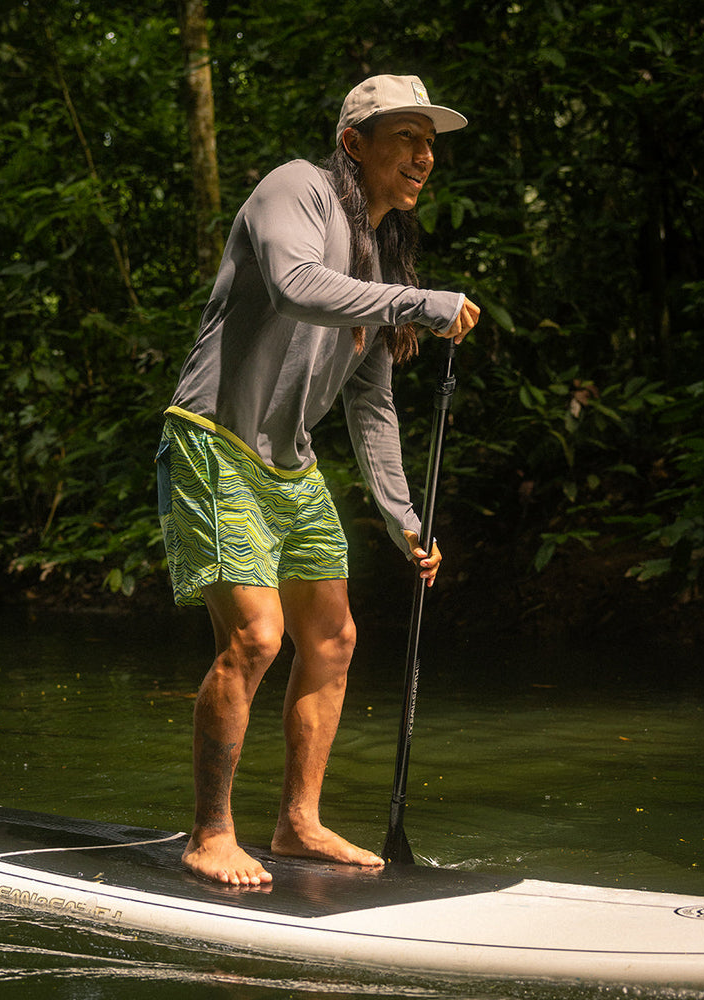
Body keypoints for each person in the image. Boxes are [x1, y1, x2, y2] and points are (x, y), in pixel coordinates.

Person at [156, 74, 480, 886]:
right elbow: (295, 285)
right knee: (256, 638)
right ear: (353, 144)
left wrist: (405, 518)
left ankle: (297, 823)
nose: (424, 155)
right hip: (213, 442)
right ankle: (209, 833)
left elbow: (372, 404)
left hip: (290, 467)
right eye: (406, 137)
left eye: (429, 142)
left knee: (333, 639)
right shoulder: (294, 189)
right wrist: (420, 303)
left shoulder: (383, 257)